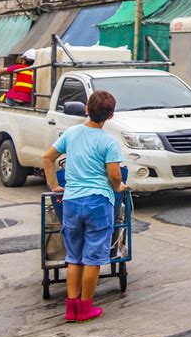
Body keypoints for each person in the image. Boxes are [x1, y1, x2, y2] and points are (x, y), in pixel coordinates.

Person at [42, 90, 128, 324]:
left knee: (75, 256)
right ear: (110, 116)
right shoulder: (108, 142)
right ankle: (86, 308)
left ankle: (71, 308)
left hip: (71, 201)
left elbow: (47, 157)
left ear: (86, 109)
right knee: (92, 258)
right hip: (98, 202)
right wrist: (119, 186)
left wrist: (55, 185)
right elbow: (114, 174)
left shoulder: (71, 133)